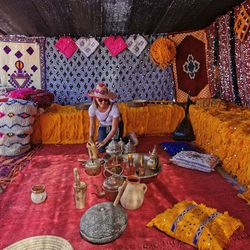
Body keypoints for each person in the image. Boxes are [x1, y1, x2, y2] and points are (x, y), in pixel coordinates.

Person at [87, 83, 122, 152]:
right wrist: (90, 137)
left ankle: (128, 137)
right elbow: (92, 125)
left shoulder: (114, 108)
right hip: (103, 125)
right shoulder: (92, 108)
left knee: (113, 147)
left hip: (115, 126)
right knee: (101, 149)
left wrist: (104, 141)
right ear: (95, 99)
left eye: (105, 100)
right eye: (100, 100)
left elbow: (114, 129)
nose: (103, 102)